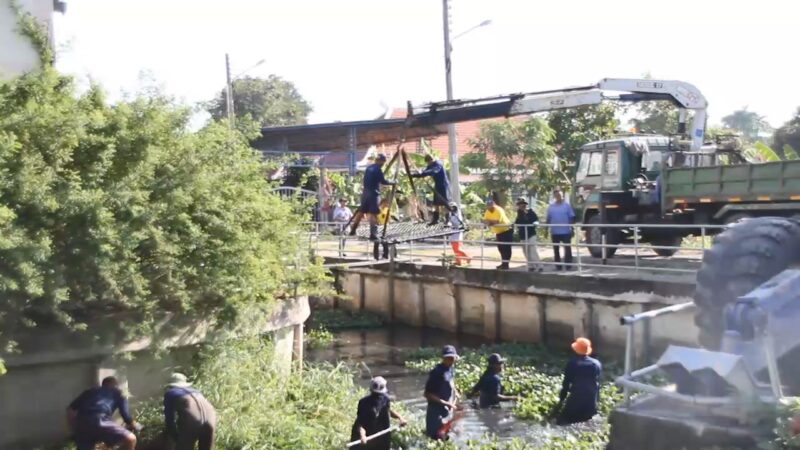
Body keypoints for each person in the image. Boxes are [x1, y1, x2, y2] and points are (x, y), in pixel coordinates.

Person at [66, 376, 138, 450]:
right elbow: (126, 416)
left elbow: (70, 410)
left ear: (103, 384)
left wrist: (74, 428)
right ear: (115, 385)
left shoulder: (89, 391)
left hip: (82, 423)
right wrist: (135, 425)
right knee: (131, 439)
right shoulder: (118, 393)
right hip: (99, 420)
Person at [163, 372, 217, 450]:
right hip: (211, 418)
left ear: (171, 385)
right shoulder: (196, 391)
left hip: (192, 420)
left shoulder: (170, 393)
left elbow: (169, 418)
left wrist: (175, 436)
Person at [350, 376, 407, 449]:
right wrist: (362, 436)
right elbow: (360, 423)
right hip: (366, 437)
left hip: (381, 436)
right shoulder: (364, 403)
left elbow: (388, 410)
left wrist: (400, 418)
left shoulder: (385, 399)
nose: (378, 396)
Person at [554, 337, 602, 426]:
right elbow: (598, 383)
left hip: (577, 396)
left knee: (562, 422)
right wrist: (597, 400)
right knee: (588, 420)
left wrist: (561, 400)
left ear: (576, 350)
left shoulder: (572, 363)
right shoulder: (596, 363)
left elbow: (566, 384)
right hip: (591, 398)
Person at [350, 154, 396, 240]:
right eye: (383, 162)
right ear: (381, 161)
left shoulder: (369, 168)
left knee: (361, 211)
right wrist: (393, 182)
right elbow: (383, 181)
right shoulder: (378, 170)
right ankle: (373, 234)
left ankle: (353, 229)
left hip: (365, 193)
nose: (383, 164)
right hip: (373, 194)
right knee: (373, 214)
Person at [424, 345, 460, 440]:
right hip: (436, 412)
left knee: (445, 436)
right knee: (435, 437)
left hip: (446, 410)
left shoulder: (451, 369)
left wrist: (455, 391)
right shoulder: (436, 373)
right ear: (443, 358)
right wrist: (447, 403)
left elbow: (451, 382)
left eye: (452, 358)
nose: (451, 360)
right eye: (448, 358)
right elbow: (427, 394)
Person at [411, 154, 451, 225]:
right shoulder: (430, 165)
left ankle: (447, 220)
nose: (428, 164)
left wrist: (424, 172)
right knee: (436, 203)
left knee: (445, 203)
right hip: (438, 185)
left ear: (431, 160)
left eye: (429, 162)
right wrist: (414, 175)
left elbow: (433, 171)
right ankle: (435, 219)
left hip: (444, 185)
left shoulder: (438, 164)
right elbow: (424, 173)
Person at [546, 189, 575, 271]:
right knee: (556, 249)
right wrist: (545, 229)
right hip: (555, 232)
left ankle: (568, 264)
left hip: (566, 231)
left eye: (560, 195)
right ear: (554, 196)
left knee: (567, 248)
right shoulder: (551, 207)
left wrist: (572, 228)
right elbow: (548, 219)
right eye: (557, 195)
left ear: (562, 196)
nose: (558, 197)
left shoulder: (567, 206)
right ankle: (558, 265)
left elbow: (571, 217)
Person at [482, 198, 513, 270]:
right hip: (498, 232)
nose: (489, 207)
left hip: (506, 231)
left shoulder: (498, 210)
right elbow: (484, 221)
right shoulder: (487, 211)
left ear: (494, 204)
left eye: (491, 205)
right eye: (488, 205)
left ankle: (506, 264)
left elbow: (497, 222)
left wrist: (489, 222)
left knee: (506, 248)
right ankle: (503, 263)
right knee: (500, 248)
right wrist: (490, 222)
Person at [514, 198, 542, 272]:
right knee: (526, 251)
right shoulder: (519, 213)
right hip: (523, 234)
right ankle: (531, 266)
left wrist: (535, 223)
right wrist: (513, 225)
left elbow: (535, 220)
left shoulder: (530, 211)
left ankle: (539, 265)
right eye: (520, 204)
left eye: (523, 204)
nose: (521, 205)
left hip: (531, 233)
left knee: (532, 250)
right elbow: (517, 221)